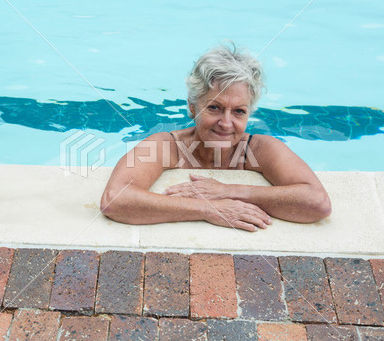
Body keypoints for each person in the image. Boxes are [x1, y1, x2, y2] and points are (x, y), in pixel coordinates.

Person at [100, 42, 331, 231]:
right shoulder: (165, 146)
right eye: (214, 108)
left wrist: (228, 191)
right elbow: (115, 200)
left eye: (239, 112)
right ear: (193, 108)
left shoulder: (261, 149)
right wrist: (209, 209)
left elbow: (317, 203)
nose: (226, 123)